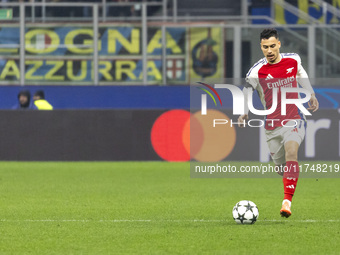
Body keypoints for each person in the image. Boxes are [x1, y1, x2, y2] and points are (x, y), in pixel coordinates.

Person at [239, 28, 319, 218]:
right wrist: (243, 112)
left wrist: (311, 93)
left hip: (294, 118)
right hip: (272, 125)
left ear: (279, 44)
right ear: (261, 47)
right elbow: (246, 92)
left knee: (292, 152)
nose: (269, 51)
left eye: (273, 46)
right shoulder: (256, 71)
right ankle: (288, 182)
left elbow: (301, 74)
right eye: (265, 47)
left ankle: (286, 202)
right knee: (281, 169)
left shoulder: (293, 59)